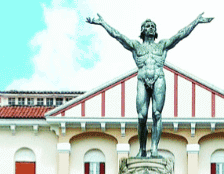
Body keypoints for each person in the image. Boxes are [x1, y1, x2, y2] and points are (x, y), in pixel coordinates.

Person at [85, 13, 213, 157]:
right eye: (147, 26)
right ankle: (142, 149)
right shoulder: (136, 46)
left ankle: (154, 148)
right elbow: (118, 36)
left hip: (158, 78)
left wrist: (196, 22)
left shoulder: (162, 45)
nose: (150, 28)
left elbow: (180, 35)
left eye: (153, 26)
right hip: (142, 79)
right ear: (142, 30)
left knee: (157, 114)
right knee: (142, 116)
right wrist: (103, 23)